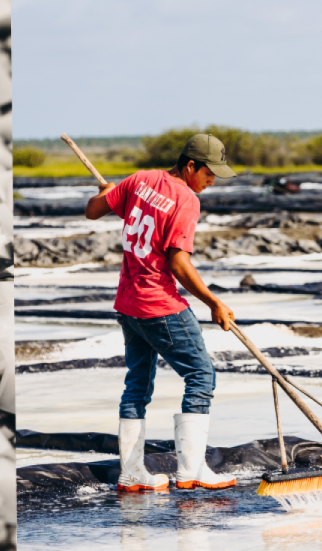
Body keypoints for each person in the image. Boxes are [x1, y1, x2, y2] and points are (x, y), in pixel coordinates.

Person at [85, 134, 238, 491]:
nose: (212, 181)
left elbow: (93, 210)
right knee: (201, 376)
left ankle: (132, 473)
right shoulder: (187, 199)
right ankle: (192, 471)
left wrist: (108, 193)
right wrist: (213, 302)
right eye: (210, 173)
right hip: (159, 304)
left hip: (128, 305)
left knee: (137, 385)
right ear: (190, 166)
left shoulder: (140, 180)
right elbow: (178, 261)